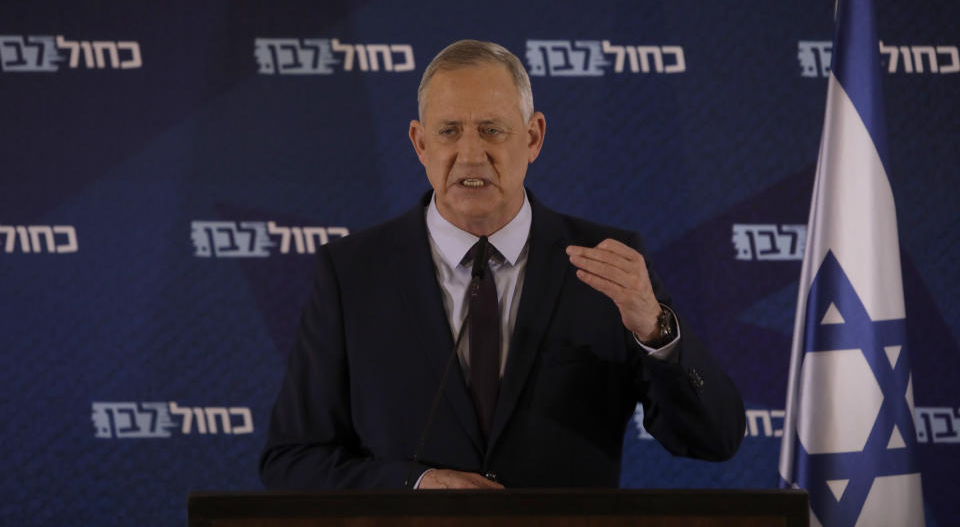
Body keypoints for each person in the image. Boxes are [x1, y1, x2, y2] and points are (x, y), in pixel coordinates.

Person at [259, 39, 745, 490]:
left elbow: (714, 440)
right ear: (420, 144)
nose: (471, 154)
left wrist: (655, 330)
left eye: (492, 130)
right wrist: (413, 486)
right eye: (449, 131)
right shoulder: (352, 273)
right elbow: (291, 460)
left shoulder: (607, 261)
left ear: (532, 138)